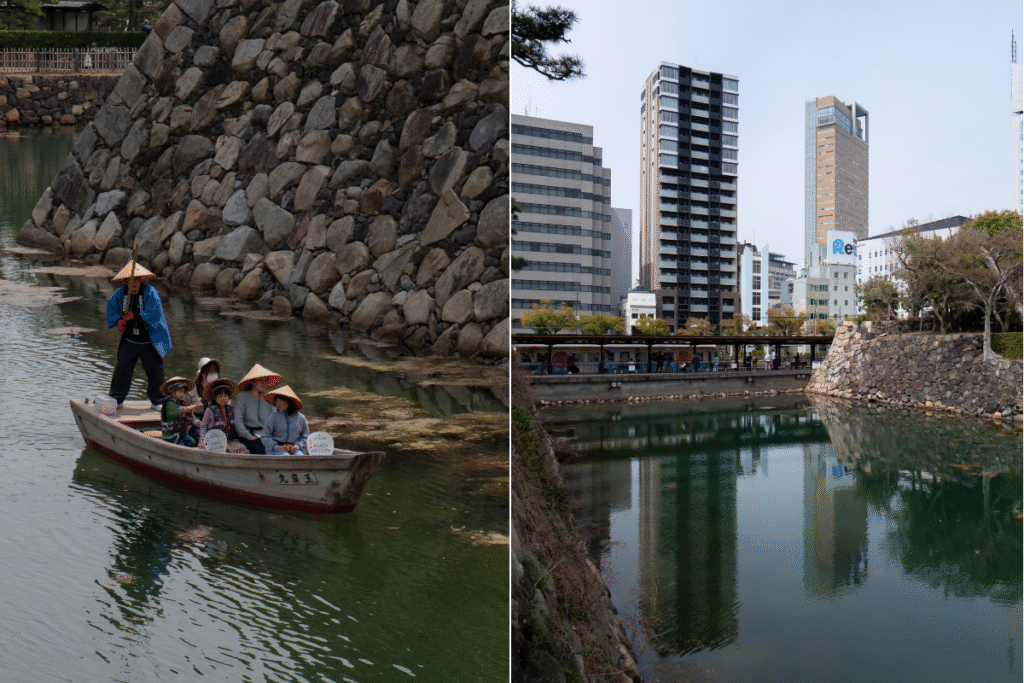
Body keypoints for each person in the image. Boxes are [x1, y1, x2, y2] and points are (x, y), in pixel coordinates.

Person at [107, 260, 172, 409]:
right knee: (122, 368)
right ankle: (117, 399)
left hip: (149, 340)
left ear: (141, 279)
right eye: (130, 280)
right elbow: (112, 311)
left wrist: (134, 316)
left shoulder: (151, 293)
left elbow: (154, 314)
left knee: (155, 371)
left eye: (136, 279)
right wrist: (119, 322)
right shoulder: (119, 295)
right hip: (130, 339)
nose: (134, 283)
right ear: (125, 281)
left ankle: (158, 401)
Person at [233, 364, 282, 455]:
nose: (263, 383)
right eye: (260, 380)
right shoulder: (242, 398)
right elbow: (237, 421)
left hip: (265, 435)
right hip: (248, 435)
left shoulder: (269, 398)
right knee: (262, 449)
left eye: (265, 380)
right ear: (253, 381)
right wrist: (249, 436)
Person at [261, 386, 309, 455]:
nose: (278, 404)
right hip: (275, 450)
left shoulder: (301, 418)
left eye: (281, 401)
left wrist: (297, 446)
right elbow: (265, 436)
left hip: (295, 449)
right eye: (277, 401)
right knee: (286, 456)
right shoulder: (272, 417)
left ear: (289, 401)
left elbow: (306, 437)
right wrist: (277, 447)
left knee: (299, 456)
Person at [199, 378, 243, 451]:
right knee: (229, 449)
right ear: (214, 397)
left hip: (230, 440)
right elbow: (203, 426)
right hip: (214, 441)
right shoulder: (209, 410)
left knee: (243, 449)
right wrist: (202, 441)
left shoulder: (231, 409)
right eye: (220, 396)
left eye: (225, 396)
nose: (223, 398)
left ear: (229, 397)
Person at [160, 377, 199, 446]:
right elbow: (182, 410)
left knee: (192, 442)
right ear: (172, 392)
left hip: (181, 433)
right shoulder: (169, 403)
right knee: (181, 446)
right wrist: (194, 406)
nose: (182, 393)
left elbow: (188, 414)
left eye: (183, 391)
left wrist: (196, 420)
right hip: (172, 435)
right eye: (179, 391)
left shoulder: (182, 402)